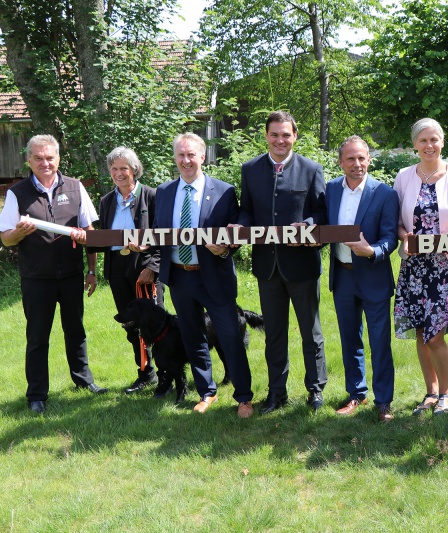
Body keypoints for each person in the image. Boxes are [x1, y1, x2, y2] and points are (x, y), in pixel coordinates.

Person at [147, 133, 254, 417]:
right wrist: (142, 244)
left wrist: (224, 249)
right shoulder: (165, 191)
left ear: (203, 156)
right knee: (193, 337)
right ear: (175, 158)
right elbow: (159, 232)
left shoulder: (224, 191)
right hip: (180, 277)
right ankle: (207, 392)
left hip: (214, 276)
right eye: (181, 155)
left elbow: (237, 232)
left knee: (230, 336)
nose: (186, 160)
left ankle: (243, 397)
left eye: (191, 155)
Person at [0, 134, 107, 413]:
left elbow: (90, 233)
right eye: (38, 158)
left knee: (76, 331)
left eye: (50, 157)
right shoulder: (17, 193)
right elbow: (6, 238)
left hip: (71, 275)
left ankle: (83, 381)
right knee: (38, 336)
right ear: (29, 160)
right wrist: (18, 233)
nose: (45, 163)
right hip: (36, 278)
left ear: (58, 158)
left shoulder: (74, 187)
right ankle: (36, 395)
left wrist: (92, 270)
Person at [239, 111, 327, 414]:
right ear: (266, 136)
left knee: (310, 332)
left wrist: (311, 225)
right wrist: (241, 226)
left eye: (286, 135)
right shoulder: (250, 170)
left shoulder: (311, 169)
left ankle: (315, 390)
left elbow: (322, 214)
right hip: (267, 267)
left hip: (302, 266)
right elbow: (247, 211)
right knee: (274, 333)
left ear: (295, 137)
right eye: (275, 134)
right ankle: (277, 393)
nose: (280, 140)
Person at [394, 117, 448, 416]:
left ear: (442, 142)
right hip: (415, 268)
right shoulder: (404, 176)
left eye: (434, 140)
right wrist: (404, 238)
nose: (429, 145)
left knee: (436, 334)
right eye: (423, 140)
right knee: (420, 332)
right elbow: (399, 223)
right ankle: (429, 393)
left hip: (445, 267)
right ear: (415, 144)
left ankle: (446, 393)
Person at [325, 136, 399, 422]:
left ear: (369, 160)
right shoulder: (331, 189)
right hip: (342, 276)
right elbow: (321, 223)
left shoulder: (384, 193)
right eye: (351, 159)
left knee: (379, 341)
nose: (357, 164)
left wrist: (372, 251)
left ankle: (383, 402)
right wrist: (306, 228)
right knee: (349, 338)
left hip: (373, 276)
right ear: (341, 162)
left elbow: (391, 238)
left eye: (362, 158)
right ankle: (356, 393)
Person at [91, 147, 165, 395]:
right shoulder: (106, 201)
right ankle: (146, 374)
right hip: (118, 269)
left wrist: (153, 266)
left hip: (144, 267)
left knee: (155, 322)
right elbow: (102, 240)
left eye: (123, 168)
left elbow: (164, 236)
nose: (118, 173)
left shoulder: (153, 196)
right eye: (114, 169)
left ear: (134, 169)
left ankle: (166, 374)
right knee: (131, 323)